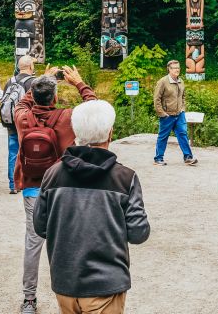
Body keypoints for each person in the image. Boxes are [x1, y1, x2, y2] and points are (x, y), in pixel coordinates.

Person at [33, 100, 150, 314]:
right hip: (106, 283)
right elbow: (138, 233)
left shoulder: (53, 174)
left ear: (75, 133)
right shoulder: (125, 178)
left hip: (65, 282)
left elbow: (40, 227)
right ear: (110, 133)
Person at [15, 66, 97, 314]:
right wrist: (80, 83)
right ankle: (73, 292)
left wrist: (43, 79)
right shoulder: (66, 118)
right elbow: (96, 111)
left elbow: (22, 101)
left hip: (31, 187)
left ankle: (29, 299)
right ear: (56, 97)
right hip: (62, 187)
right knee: (67, 242)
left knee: (33, 242)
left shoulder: (22, 117)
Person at [152, 60, 197, 166]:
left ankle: (188, 157)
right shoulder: (163, 81)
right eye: (175, 68)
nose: (177, 70)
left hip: (179, 114)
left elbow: (183, 96)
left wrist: (183, 108)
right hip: (167, 115)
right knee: (163, 136)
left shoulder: (181, 81)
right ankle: (158, 158)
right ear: (169, 69)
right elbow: (156, 99)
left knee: (183, 134)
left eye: (178, 67)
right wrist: (162, 113)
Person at [5, 55, 37, 195]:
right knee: (30, 153)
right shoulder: (33, 82)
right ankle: (27, 182)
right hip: (27, 123)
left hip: (11, 123)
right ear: (30, 67)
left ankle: (13, 184)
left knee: (13, 153)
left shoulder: (9, 81)